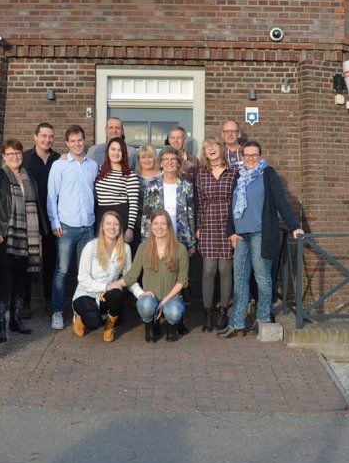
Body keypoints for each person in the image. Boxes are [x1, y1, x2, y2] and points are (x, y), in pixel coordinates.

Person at [221, 141, 304, 338]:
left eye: (254, 155)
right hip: (241, 236)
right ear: (242, 157)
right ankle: (237, 323)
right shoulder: (239, 176)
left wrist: (294, 226)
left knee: (262, 277)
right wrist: (230, 231)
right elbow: (232, 206)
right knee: (239, 279)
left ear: (260, 155)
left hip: (261, 234)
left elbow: (280, 201)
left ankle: (263, 319)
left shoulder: (268, 173)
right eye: (247, 155)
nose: (250, 158)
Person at [0, 138, 44, 342]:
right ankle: (1, 325)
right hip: (7, 239)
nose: (15, 157)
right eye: (10, 154)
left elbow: (36, 206)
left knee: (20, 282)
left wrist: (38, 232)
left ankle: (16, 321)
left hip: (27, 239)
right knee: (4, 284)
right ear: (4, 157)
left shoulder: (28, 176)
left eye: (18, 153)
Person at [47, 125, 99, 330]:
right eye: (73, 141)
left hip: (88, 226)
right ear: (67, 143)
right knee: (62, 270)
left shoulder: (92, 166)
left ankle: (80, 311)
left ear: (84, 141)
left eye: (80, 140)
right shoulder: (59, 166)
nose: (77, 144)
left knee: (84, 272)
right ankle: (57, 312)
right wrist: (55, 221)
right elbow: (52, 195)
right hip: (66, 226)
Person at [118, 209, 190, 342]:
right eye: (156, 223)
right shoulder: (143, 248)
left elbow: (182, 280)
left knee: (173, 312)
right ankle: (150, 325)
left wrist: (164, 301)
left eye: (163, 223)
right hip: (150, 298)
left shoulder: (180, 249)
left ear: (169, 226)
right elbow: (132, 275)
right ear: (151, 226)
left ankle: (172, 326)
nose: (159, 227)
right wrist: (110, 286)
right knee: (146, 305)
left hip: (172, 298)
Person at [194, 137, 236, 332]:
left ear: (220, 147)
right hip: (208, 224)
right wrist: (198, 226)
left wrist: (235, 229)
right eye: (206, 147)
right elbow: (198, 202)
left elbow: (238, 202)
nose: (210, 149)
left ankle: (223, 312)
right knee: (209, 270)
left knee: (225, 270)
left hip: (228, 226)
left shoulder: (233, 172)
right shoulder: (201, 174)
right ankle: (207, 313)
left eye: (213, 145)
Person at [71, 211, 132, 343]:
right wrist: (105, 286)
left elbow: (129, 278)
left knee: (118, 293)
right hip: (86, 293)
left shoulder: (125, 248)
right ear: (102, 227)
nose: (112, 227)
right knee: (93, 323)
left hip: (106, 295)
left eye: (116, 224)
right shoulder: (91, 246)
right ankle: (79, 317)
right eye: (108, 223)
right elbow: (82, 278)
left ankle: (109, 327)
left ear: (120, 227)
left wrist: (142, 295)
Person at [22, 122, 58, 319]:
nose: (47, 140)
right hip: (31, 217)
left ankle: (49, 301)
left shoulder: (58, 159)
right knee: (29, 260)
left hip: (52, 217)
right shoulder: (25, 159)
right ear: (35, 137)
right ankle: (25, 303)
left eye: (50, 136)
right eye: (43, 136)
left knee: (51, 261)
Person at [94, 138, 140, 245]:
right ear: (107, 151)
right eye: (113, 149)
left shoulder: (129, 176)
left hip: (121, 219)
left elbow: (134, 204)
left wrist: (130, 228)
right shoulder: (99, 170)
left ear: (124, 153)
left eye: (120, 150)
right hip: (102, 217)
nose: (116, 153)